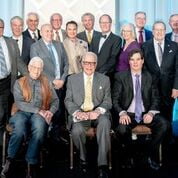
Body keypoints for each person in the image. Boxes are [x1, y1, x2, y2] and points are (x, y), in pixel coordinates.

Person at [1, 57, 59, 177]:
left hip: (40, 114)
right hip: (21, 112)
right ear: (28, 67)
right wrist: (38, 110)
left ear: (42, 69)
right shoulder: (19, 82)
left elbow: (55, 101)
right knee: (19, 128)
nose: (36, 71)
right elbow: (20, 103)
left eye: (39, 68)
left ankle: (30, 162)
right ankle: (10, 160)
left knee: (39, 129)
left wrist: (51, 112)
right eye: (34, 67)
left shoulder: (46, 82)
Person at [112, 49, 168, 170]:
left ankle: (148, 155)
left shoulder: (150, 77)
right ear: (129, 61)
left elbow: (156, 99)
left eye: (138, 59)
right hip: (129, 114)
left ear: (142, 61)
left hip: (145, 113)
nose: (135, 62)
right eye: (132, 60)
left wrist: (151, 113)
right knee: (121, 129)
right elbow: (115, 100)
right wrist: (122, 113)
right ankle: (129, 155)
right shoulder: (120, 77)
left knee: (163, 124)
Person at [65, 52, 112, 178]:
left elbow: (108, 101)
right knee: (77, 131)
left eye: (92, 63)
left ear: (96, 65)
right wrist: (78, 113)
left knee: (105, 123)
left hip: (97, 114)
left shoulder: (104, 79)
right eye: (86, 62)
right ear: (81, 64)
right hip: (81, 114)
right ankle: (83, 158)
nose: (89, 66)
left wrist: (97, 112)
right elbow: (68, 100)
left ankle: (102, 164)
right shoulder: (72, 79)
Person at [30, 24, 68, 142]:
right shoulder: (35, 47)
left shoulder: (59, 44)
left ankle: (55, 137)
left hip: (60, 84)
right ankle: (44, 138)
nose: (50, 33)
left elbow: (67, 64)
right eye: (47, 31)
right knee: (47, 111)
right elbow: (36, 68)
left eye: (51, 31)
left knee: (59, 112)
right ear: (41, 32)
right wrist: (52, 81)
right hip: (45, 86)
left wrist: (62, 79)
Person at [142, 21, 178, 122]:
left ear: (165, 31)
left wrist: (176, 87)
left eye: (161, 30)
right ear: (153, 31)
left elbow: (177, 68)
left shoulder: (174, 46)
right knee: (154, 116)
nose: (159, 32)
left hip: (169, 89)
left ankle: (169, 137)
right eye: (157, 30)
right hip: (152, 88)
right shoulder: (145, 46)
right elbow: (144, 69)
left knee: (168, 116)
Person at [0, 18, 27, 146]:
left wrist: (29, 76)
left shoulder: (10, 42)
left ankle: (3, 143)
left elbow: (19, 62)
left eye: (0, 27)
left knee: (4, 111)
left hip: (6, 82)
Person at [92, 14, 122, 81]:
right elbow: (92, 55)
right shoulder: (94, 38)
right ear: (99, 24)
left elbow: (113, 58)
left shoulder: (117, 39)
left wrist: (100, 72)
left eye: (107, 22)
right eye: (102, 22)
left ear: (110, 24)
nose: (104, 24)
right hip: (93, 74)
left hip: (108, 75)